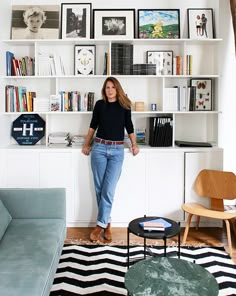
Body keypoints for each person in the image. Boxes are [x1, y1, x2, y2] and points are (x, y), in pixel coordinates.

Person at [82, 76, 139, 242]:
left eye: (113, 87)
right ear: (104, 90)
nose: (110, 90)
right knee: (100, 189)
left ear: (117, 89)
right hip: (99, 148)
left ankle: (99, 226)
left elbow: (129, 126)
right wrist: (86, 144)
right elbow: (93, 126)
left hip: (117, 150)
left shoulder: (125, 105)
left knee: (108, 190)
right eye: (107, 87)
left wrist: (134, 144)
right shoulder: (100, 105)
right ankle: (107, 225)